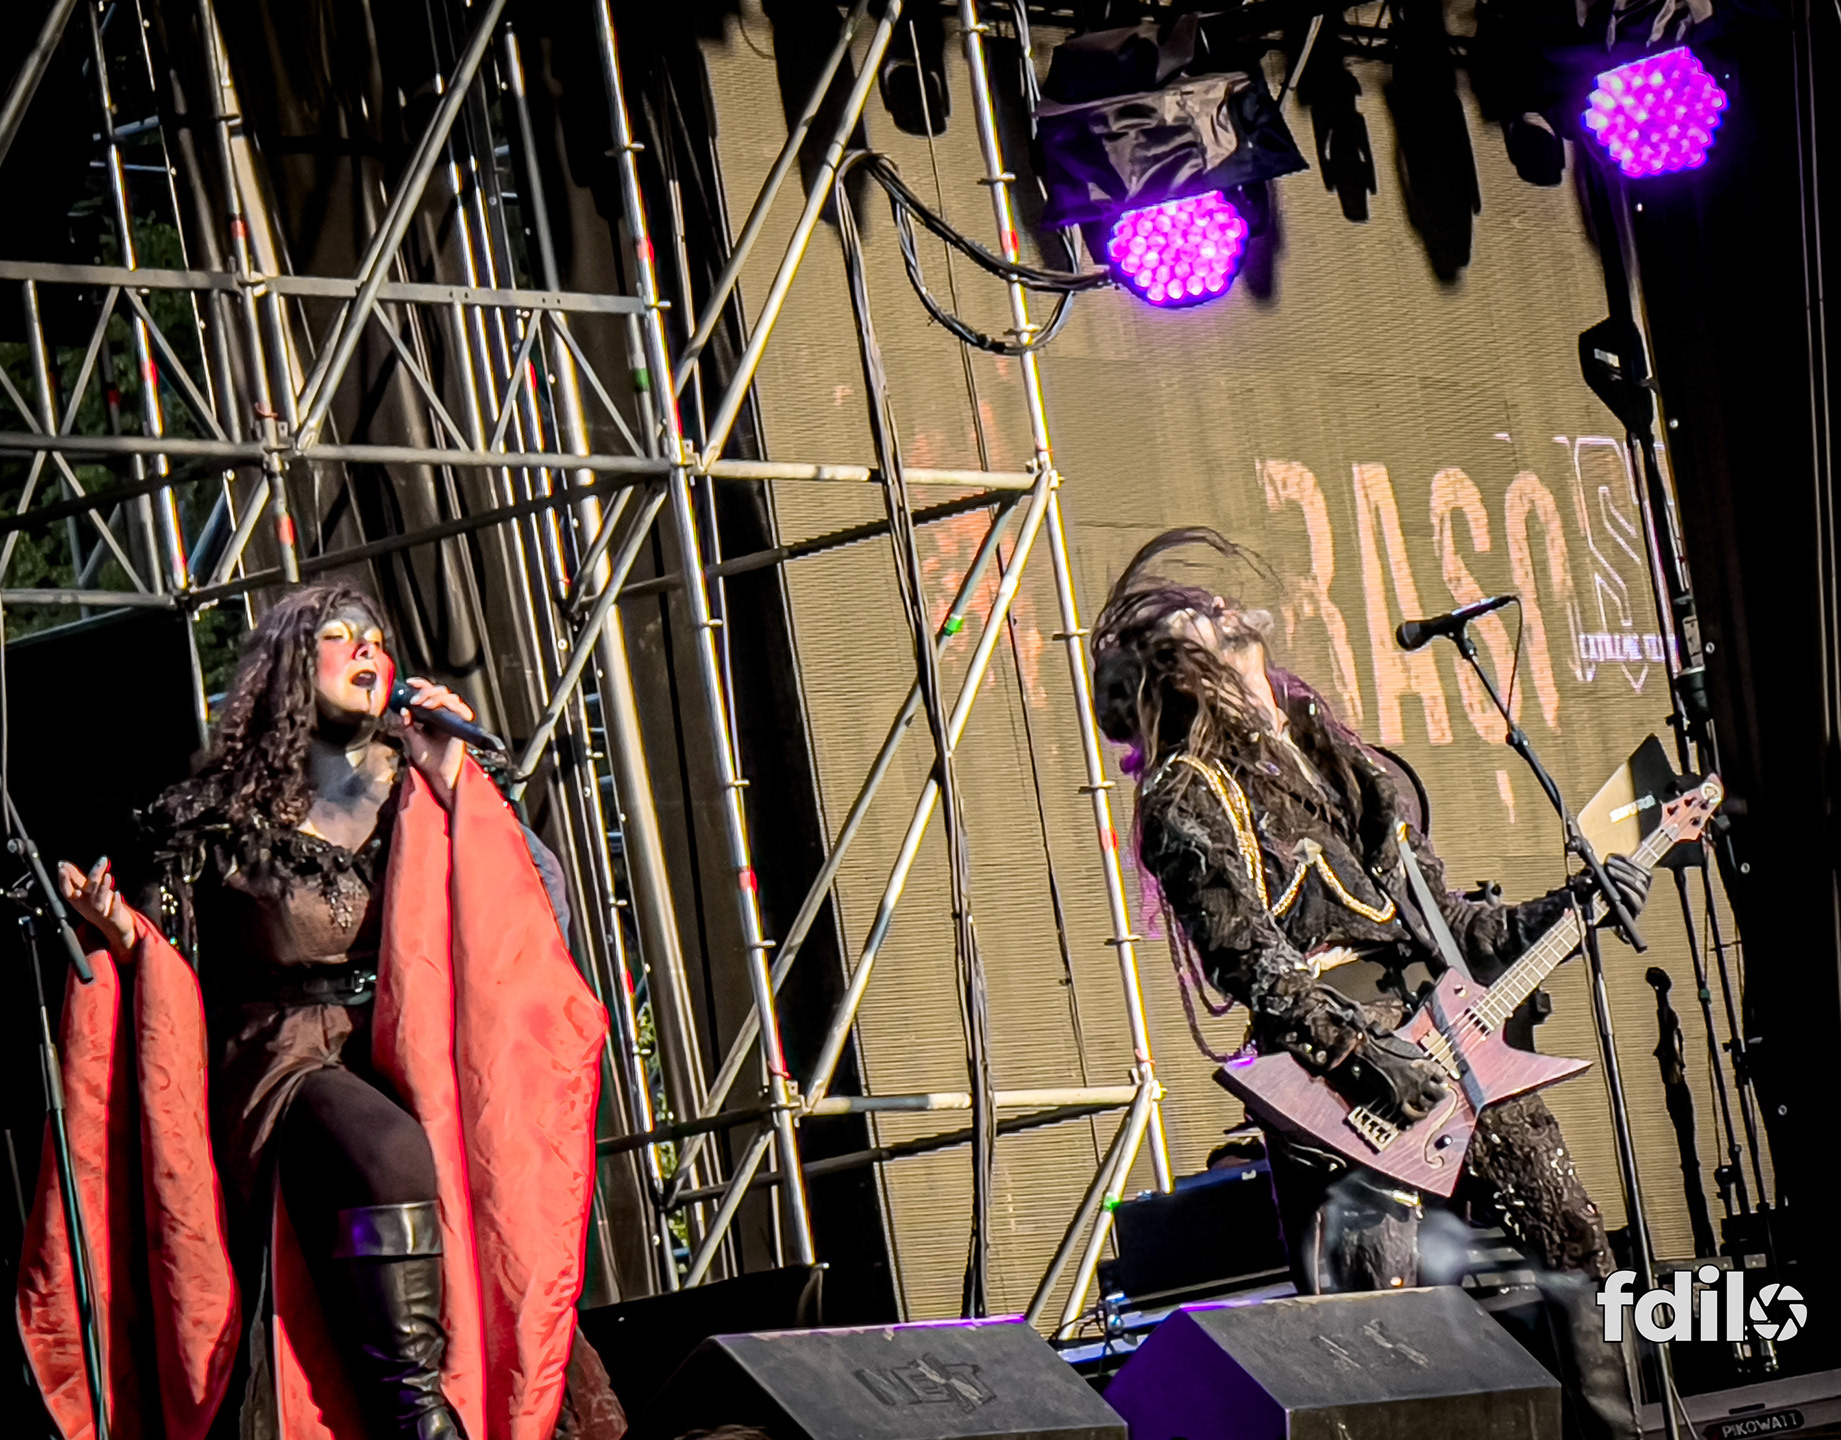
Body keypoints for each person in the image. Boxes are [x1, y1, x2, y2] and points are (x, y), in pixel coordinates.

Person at [19, 583, 621, 1440]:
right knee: (391, 1150)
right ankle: (418, 1418)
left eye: (375, 635)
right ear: (287, 668)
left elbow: (535, 916)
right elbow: (168, 968)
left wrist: (457, 782)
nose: (367, 647)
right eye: (339, 635)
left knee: (461, 1177)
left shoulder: (422, 789)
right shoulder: (212, 821)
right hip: (280, 1060)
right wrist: (121, 933)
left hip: (403, 1048)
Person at [1091, 530, 1648, 1440]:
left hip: (1453, 1044)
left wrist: (1573, 904)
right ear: (1178, 673)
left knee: (1577, 1250)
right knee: (1381, 1329)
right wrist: (1369, 1058)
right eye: (1197, 617)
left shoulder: (1346, 765)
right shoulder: (1189, 795)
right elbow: (1252, 964)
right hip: (1343, 1088)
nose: (1221, 606)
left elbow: (1451, 925)